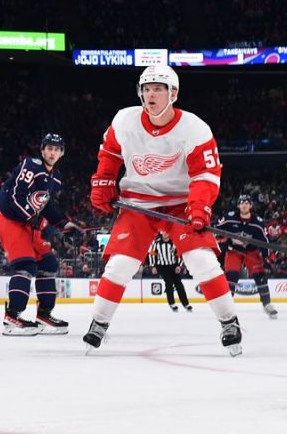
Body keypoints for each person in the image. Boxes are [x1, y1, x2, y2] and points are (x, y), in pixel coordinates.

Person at [87, 64, 241, 355]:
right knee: (120, 264)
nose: (151, 95)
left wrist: (199, 209)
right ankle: (98, 323)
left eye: (158, 88)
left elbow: (205, 176)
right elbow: (109, 153)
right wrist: (104, 182)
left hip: (181, 203)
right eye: (146, 89)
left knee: (201, 260)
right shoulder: (124, 120)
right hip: (137, 201)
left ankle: (229, 322)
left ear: (174, 93)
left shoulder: (195, 128)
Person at [0, 133, 82, 336]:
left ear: (62, 153)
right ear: (42, 150)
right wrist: (30, 216)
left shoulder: (55, 178)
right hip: (9, 219)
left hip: (26, 223)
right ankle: (12, 317)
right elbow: (17, 195)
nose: (52, 152)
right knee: (25, 264)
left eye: (56, 149)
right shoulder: (31, 165)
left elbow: (45, 204)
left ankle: (43, 315)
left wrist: (65, 225)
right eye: (49, 148)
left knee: (48, 264)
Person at [215, 195, 277, 319]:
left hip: (251, 252)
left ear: (250, 206)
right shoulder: (229, 217)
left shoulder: (258, 223)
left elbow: (264, 241)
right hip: (234, 251)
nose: (244, 205)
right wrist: (219, 238)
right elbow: (216, 229)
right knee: (231, 278)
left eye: (247, 203)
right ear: (238, 205)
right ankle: (227, 307)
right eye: (242, 203)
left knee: (260, 276)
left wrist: (266, 256)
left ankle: (267, 304)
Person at [148, 232, 191, 312]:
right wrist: (153, 266)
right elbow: (151, 254)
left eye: (166, 232)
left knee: (179, 285)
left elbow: (179, 253)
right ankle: (172, 303)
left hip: (173, 266)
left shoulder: (174, 242)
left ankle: (186, 304)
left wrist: (179, 265)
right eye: (163, 232)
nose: (164, 234)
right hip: (162, 267)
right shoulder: (156, 242)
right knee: (169, 283)